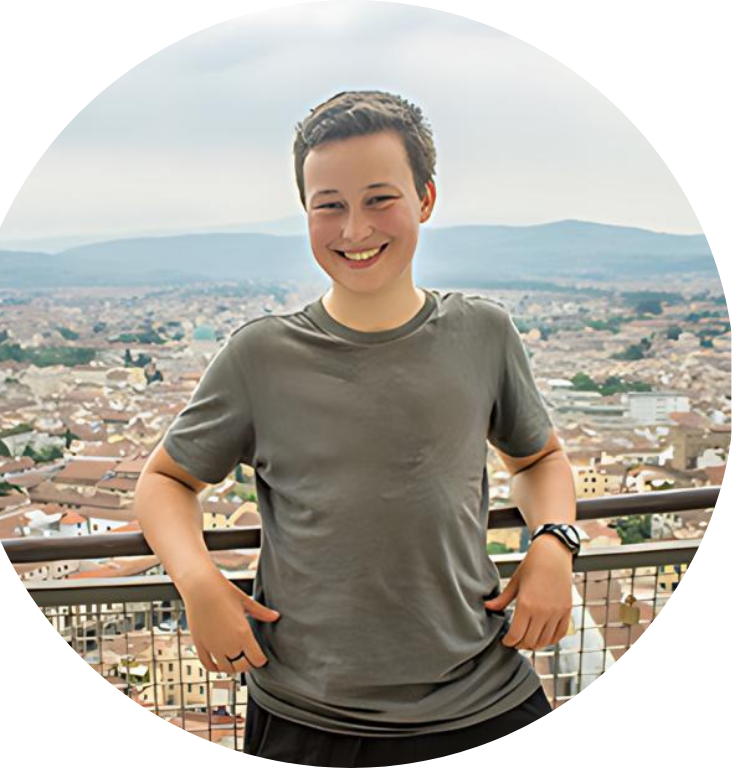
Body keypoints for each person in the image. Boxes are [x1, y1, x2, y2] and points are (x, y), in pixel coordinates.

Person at [134, 90, 579, 766]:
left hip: (485, 692)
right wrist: (198, 582)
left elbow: (539, 459)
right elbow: (165, 479)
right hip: (309, 714)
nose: (354, 229)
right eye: (330, 205)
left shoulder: (483, 333)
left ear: (426, 199)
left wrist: (554, 545)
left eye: (379, 199)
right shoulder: (258, 356)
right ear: (307, 214)